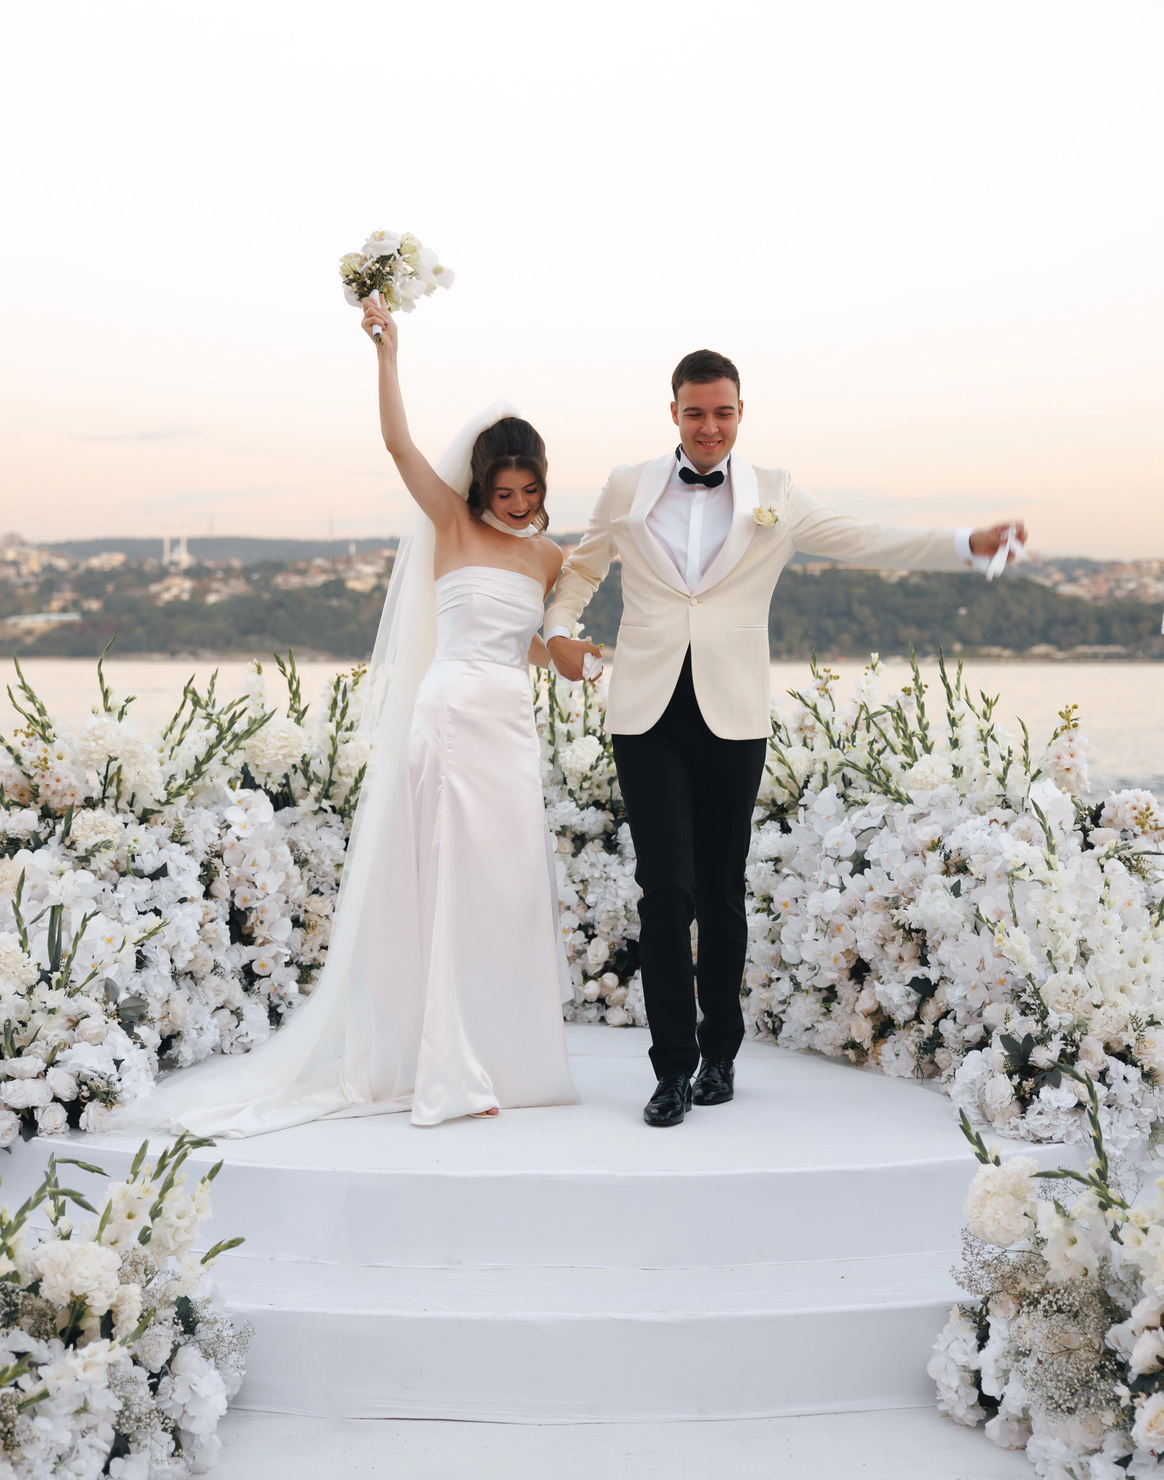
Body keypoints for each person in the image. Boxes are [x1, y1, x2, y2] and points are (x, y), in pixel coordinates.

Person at [109, 293, 587, 1137]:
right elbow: (399, 445)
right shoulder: (451, 521)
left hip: (511, 728)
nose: (517, 503)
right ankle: (444, 1063)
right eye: (504, 490)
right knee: (448, 884)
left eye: (530, 490)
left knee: (507, 888)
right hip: (450, 718)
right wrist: (386, 352)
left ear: (545, 486)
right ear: (481, 485)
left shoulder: (551, 556)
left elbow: (540, 646)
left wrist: (576, 657)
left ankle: (511, 1060)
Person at [545, 348, 1027, 1128]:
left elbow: (865, 538)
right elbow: (580, 570)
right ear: (673, 413)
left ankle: (720, 1053)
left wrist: (964, 541)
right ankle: (670, 1071)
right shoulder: (627, 485)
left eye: (722, 412)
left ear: (741, 413)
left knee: (720, 889)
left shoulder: (777, 493)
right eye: (695, 412)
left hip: (732, 715)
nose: (709, 427)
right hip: (645, 712)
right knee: (665, 890)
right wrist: (559, 629)